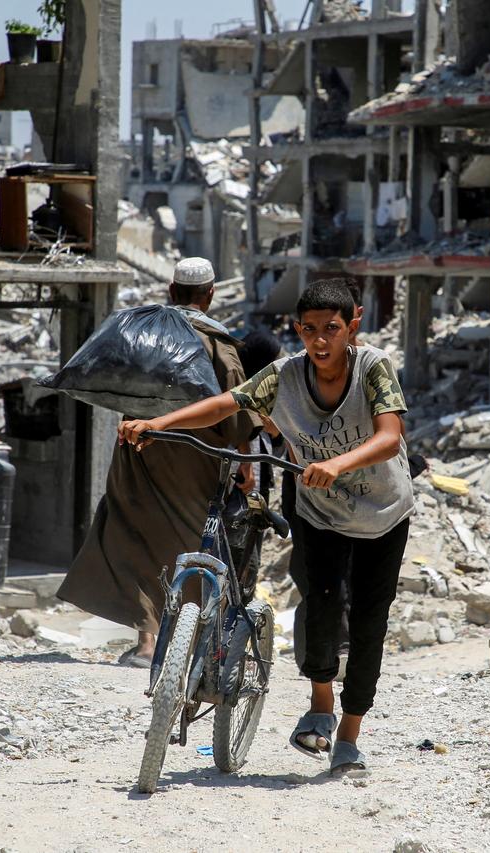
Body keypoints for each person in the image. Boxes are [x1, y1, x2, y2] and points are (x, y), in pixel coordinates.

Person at [117, 278, 414, 774]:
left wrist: (338, 465)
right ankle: (321, 707)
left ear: (353, 326)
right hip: (320, 512)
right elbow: (226, 404)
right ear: (298, 329)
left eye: (332, 330)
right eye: (310, 330)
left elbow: (389, 436)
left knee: (368, 621)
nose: (320, 341)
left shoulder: (372, 368)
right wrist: (159, 425)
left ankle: (350, 732)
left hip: (383, 513)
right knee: (318, 604)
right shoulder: (284, 375)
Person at [56, 257, 260, 668]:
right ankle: (186, 642)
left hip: (140, 448)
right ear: (210, 295)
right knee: (190, 542)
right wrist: (242, 459)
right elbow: (237, 411)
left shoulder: (148, 336)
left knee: (135, 536)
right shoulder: (218, 345)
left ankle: (147, 643)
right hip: (198, 462)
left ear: (171, 291)